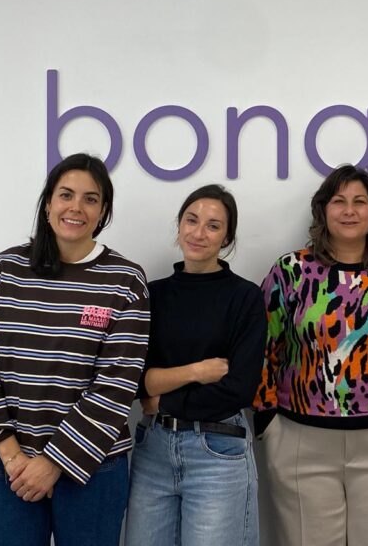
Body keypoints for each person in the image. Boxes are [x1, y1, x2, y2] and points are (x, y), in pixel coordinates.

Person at [0, 153, 150, 546]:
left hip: (94, 469)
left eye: (90, 199)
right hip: (10, 465)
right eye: (66, 195)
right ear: (48, 203)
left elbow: (117, 384)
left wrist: (53, 462)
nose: (76, 207)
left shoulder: (125, 282)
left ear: (103, 211)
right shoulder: (1, 273)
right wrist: (14, 458)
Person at [253, 164, 368, 546]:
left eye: (359, 202)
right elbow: (265, 346)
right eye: (339, 201)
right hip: (302, 440)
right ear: (323, 210)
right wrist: (267, 419)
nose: (349, 211)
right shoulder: (291, 271)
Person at [124, 184, 265, 546]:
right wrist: (197, 372)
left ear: (227, 238)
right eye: (191, 220)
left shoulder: (244, 297)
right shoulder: (152, 295)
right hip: (153, 450)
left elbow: (238, 389)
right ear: (179, 226)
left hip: (218, 451)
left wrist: (164, 398)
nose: (199, 233)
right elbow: (133, 381)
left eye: (213, 226)